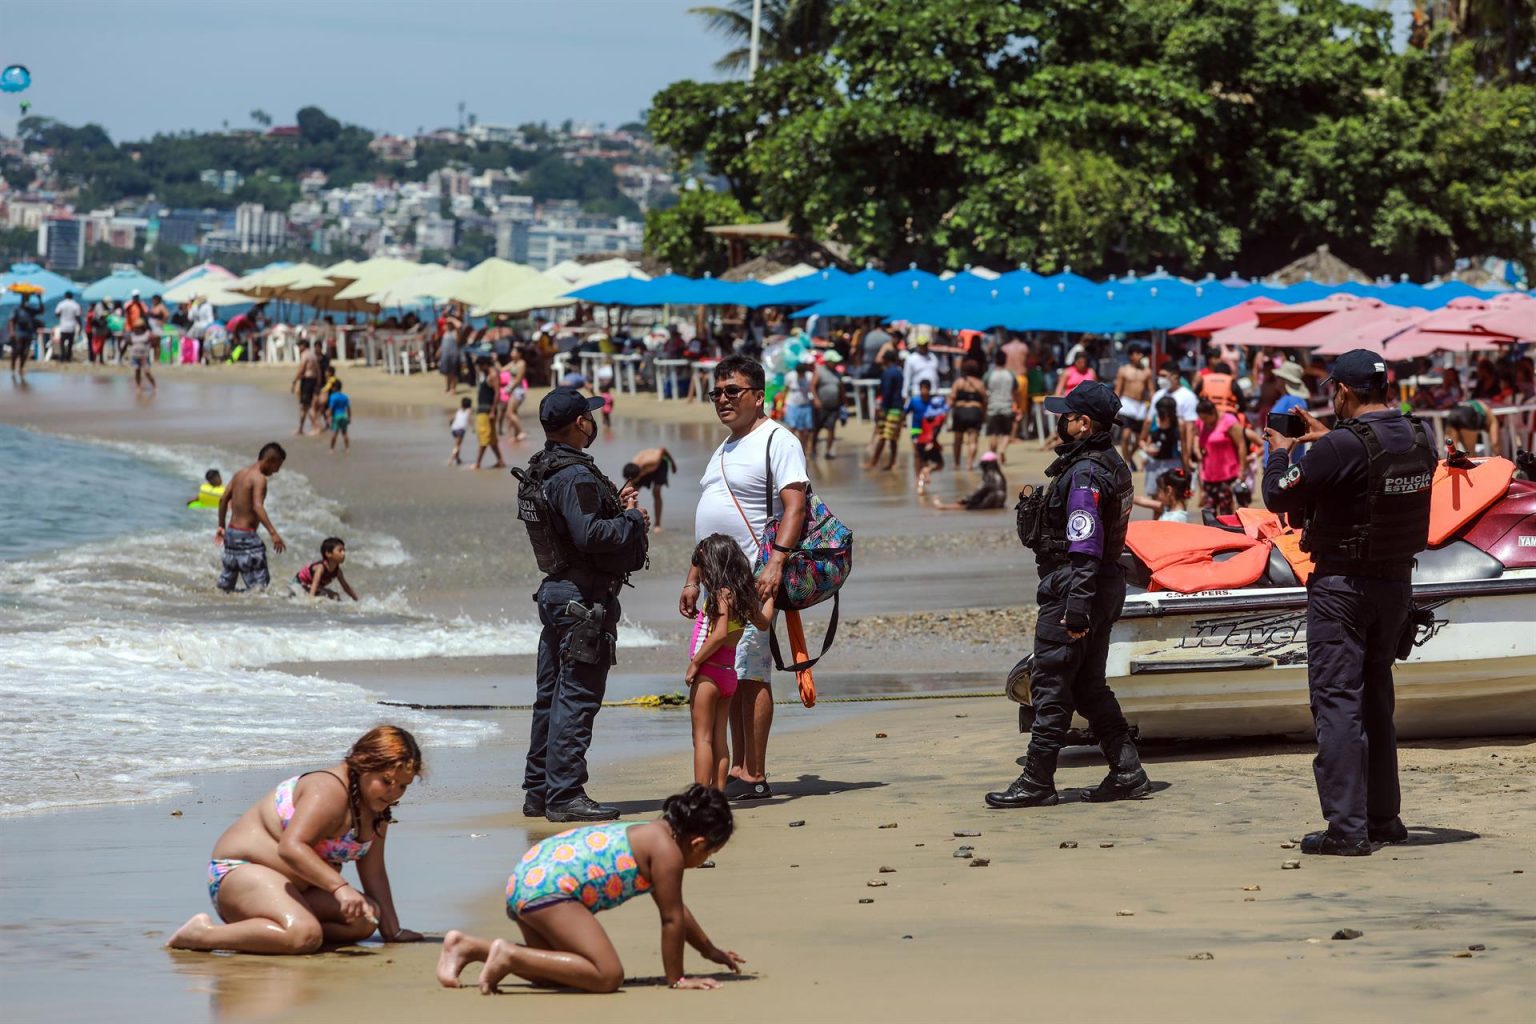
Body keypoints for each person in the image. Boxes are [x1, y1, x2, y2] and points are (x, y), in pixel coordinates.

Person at [1261, 349, 1436, 856]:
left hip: (1344, 588)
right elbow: (1372, 461)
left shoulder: (1340, 446)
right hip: (1396, 584)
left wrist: (1280, 450)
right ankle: (1383, 818)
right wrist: (1329, 440)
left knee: (1337, 702)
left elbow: (1278, 496)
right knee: (1376, 698)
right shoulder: (1418, 434)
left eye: (1331, 390)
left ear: (1342, 392)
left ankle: (1346, 829)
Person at [986, 380, 1150, 808]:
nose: (1060, 422)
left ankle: (1037, 780)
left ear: (1083, 424)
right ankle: (1128, 771)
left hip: (1078, 585)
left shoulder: (1086, 474)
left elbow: (1086, 545)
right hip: (1098, 583)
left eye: (1067, 416)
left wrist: (1076, 610)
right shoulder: (1107, 463)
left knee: (1052, 683)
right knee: (1088, 685)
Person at [436, 785, 743, 994]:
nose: (703, 859)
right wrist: (677, 978)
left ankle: (469, 947)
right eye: (708, 854)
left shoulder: (652, 834)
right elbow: (671, 919)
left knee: (554, 972)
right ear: (698, 842)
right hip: (550, 890)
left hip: (528, 878)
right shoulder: (668, 853)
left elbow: (677, 910)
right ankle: (509, 956)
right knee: (606, 975)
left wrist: (708, 950)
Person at [515, 388, 650, 822]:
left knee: (551, 699)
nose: (594, 422)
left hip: (558, 594)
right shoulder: (573, 475)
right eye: (589, 416)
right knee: (575, 700)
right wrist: (632, 519)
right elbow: (591, 535)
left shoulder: (543, 469)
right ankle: (565, 795)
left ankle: (539, 790)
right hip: (582, 601)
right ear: (579, 424)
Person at [167, 726, 424, 954]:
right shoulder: (329, 790)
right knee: (305, 935)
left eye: (402, 786)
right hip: (240, 874)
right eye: (386, 781)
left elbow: (375, 872)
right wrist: (339, 887)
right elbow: (291, 847)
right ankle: (201, 935)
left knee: (365, 920)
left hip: (298, 888)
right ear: (363, 763)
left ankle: (276, 932)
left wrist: (392, 931)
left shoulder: (376, 810)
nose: (393, 793)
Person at [685, 355, 808, 801]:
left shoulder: (779, 440)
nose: (722, 399)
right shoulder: (724, 447)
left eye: (732, 391)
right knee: (730, 674)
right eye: (716, 392)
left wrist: (775, 564)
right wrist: (692, 577)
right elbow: (710, 521)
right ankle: (734, 769)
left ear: (759, 396)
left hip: (754, 574)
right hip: (718, 580)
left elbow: (795, 506)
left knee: (752, 675)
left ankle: (752, 773)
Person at [686, 534, 775, 789]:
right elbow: (764, 622)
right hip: (728, 676)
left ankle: (702, 796)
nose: (700, 576)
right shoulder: (743, 597)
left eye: (702, 569)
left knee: (702, 739)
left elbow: (720, 633)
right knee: (719, 740)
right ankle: (718, 794)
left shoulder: (721, 594)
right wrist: (769, 598)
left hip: (708, 673)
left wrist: (695, 663)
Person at [216, 443, 287, 592]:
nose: (276, 472)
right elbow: (257, 506)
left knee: (225, 588)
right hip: (246, 537)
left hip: (231, 534)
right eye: (277, 466)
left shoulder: (239, 474)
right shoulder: (259, 479)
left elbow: (223, 500)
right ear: (270, 460)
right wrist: (273, 533)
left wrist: (221, 526)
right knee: (260, 588)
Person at [1194, 398, 1245, 516]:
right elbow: (1197, 436)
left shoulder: (1229, 421)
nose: (1204, 422)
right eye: (1201, 419)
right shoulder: (1201, 422)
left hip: (1227, 475)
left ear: (1213, 412)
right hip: (1208, 476)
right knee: (1208, 513)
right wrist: (1196, 449)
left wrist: (1242, 470)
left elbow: (1241, 444)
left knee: (1225, 514)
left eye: (1206, 418)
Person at [863, 349, 906, 470]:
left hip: (889, 408)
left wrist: (881, 408)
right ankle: (892, 462)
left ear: (886, 360)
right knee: (893, 438)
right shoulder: (899, 372)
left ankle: (873, 462)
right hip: (898, 408)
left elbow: (886, 392)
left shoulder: (887, 373)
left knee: (883, 436)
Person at [621, 447, 677, 532]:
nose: (630, 481)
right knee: (631, 492)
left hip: (660, 466)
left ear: (639, 475)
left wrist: (673, 464)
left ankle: (657, 524)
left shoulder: (653, 461)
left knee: (656, 492)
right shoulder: (633, 466)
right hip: (642, 470)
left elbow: (663, 449)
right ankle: (636, 520)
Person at [931, 450, 1008, 510]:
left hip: (990, 501)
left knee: (966, 506)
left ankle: (943, 506)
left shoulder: (989, 475)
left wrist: (965, 499)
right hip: (1000, 502)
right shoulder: (1000, 475)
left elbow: (981, 490)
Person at [908, 379, 947, 495]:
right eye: (922, 388)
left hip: (925, 434)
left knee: (923, 458)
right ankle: (921, 476)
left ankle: (921, 481)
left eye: (926, 388)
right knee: (919, 457)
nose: (924, 391)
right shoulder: (915, 401)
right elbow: (905, 412)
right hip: (918, 431)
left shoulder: (931, 406)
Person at [1114, 344, 1153, 461]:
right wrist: (1114, 406)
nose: (1140, 356)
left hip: (1140, 405)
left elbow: (1151, 390)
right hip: (1126, 403)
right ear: (1131, 355)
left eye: (1141, 353)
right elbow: (1118, 389)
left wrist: (1153, 404)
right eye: (1138, 353)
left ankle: (1129, 457)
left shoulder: (1147, 371)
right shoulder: (1124, 370)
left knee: (1139, 438)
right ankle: (1127, 461)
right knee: (1125, 435)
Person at [292, 536, 359, 601]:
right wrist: (310, 601)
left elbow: (345, 587)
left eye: (344, 550)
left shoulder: (337, 571)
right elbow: (315, 584)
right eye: (340, 551)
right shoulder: (321, 568)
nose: (343, 554)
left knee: (335, 596)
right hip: (298, 583)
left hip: (309, 586)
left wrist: (356, 599)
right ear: (328, 553)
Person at [949, 358, 988, 469]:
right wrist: (984, 415)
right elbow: (985, 401)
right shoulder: (979, 384)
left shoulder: (959, 382)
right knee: (973, 441)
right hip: (975, 412)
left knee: (958, 439)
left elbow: (951, 398)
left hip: (960, 411)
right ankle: (969, 463)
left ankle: (956, 463)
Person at [984, 348, 1020, 463]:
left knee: (993, 433)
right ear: (1005, 360)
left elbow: (984, 389)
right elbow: (1015, 390)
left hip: (992, 407)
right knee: (1006, 432)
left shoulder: (989, 375)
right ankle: (1002, 449)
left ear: (995, 361)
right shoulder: (1010, 374)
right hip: (1007, 406)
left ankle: (993, 455)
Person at [471, 357, 506, 471]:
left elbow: (497, 393)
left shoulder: (493, 375)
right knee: (491, 438)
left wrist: (492, 411)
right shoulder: (485, 374)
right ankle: (500, 460)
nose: (479, 369)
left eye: (480, 366)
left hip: (487, 411)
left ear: (485, 365)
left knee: (484, 438)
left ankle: (477, 463)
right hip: (482, 409)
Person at [810, 353, 847, 459]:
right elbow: (812, 386)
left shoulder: (838, 373)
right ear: (828, 362)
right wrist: (816, 399)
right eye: (833, 362)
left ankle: (829, 451)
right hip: (821, 406)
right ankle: (813, 450)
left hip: (834, 406)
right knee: (816, 429)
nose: (835, 364)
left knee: (831, 428)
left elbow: (841, 388)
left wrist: (844, 403)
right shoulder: (819, 371)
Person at [782, 358, 816, 453]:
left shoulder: (809, 376)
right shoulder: (790, 376)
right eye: (799, 373)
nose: (800, 374)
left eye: (802, 373)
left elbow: (812, 389)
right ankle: (788, 448)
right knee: (792, 427)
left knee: (805, 430)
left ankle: (803, 449)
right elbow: (786, 389)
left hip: (806, 405)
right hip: (792, 405)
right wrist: (782, 404)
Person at [7, 292, 41, 379]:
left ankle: (21, 367)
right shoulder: (17, 310)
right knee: (17, 350)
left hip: (28, 333)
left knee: (25, 352)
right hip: (19, 332)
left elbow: (41, 310)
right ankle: (13, 365)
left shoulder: (30, 310)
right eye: (25, 299)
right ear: (22, 300)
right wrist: (12, 331)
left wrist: (39, 299)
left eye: (27, 300)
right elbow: (11, 321)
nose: (26, 301)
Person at [290, 339, 320, 435]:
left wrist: (295, 381)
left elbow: (301, 369)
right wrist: (318, 383)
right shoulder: (313, 355)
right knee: (304, 405)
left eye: (299, 346)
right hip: (313, 380)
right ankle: (301, 428)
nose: (298, 348)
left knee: (306, 406)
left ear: (304, 345)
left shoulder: (305, 355)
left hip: (307, 380)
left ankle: (316, 427)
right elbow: (318, 370)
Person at [902, 334, 939, 400]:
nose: (923, 347)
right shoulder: (911, 358)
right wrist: (904, 394)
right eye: (921, 345)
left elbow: (939, 373)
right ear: (918, 345)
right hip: (917, 393)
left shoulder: (933, 357)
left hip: (932, 393)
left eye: (925, 345)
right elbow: (907, 377)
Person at [127, 316, 157, 393]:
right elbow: (129, 343)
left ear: (142, 327)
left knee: (147, 372)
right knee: (137, 371)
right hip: (135, 356)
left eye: (139, 327)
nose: (137, 329)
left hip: (144, 356)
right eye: (136, 327)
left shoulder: (147, 334)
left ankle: (154, 384)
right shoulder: (132, 335)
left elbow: (154, 343)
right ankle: (138, 386)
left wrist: (152, 341)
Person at [54, 290, 82, 363]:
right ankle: (68, 357)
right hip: (72, 325)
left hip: (63, 325)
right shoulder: (75, 305)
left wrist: (62, 316)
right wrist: (80, 326)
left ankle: (63, 356)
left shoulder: (61, 304)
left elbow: (57, 314)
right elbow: (78, 317)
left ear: (65, 296)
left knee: (62, 342)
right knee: (70, 343)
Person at [327, 379, 351, 453]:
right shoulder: (345, 396)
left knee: (334, 433)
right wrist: (349, 417)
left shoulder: (333, 397)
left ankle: (332, 449)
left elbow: (331, 408)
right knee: (344, 433)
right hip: (344, 416)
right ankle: (347, 448)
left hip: (336, 416)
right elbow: (348, 408)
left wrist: (328, 417)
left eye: (332, 387)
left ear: (335, 387)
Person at [448, 397, 472, 466]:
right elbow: (469, 420)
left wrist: (450, 423)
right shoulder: (469, 410)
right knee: (457, 445)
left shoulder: (459, 410)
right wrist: (473, 428)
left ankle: (458, 459)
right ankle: (451, 459)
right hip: (461, 429)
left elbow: (453, 418)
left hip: (454, 428)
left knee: (458, 444)